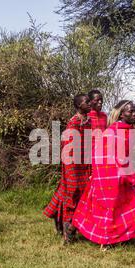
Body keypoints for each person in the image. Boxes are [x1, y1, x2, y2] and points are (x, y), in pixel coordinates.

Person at [72, 100, 135, 248]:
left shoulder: (126, 130)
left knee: (128, 208)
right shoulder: (115, 131)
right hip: (111, 178)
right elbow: (100, 154)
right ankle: (107, 241)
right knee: (113, 211)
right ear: (122, 114)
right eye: (131, 111)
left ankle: (119, 237)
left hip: (120, 176)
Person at [43, 94, 92, 244]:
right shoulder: (73, 123)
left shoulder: (88, 122)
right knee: (72, 193)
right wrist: (72, 168)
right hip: (72, 164)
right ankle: (68, 233)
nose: (90, 103)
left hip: (85, 163)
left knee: (82, 194)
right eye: (86, 102)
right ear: (78, 106)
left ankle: (58, 214)